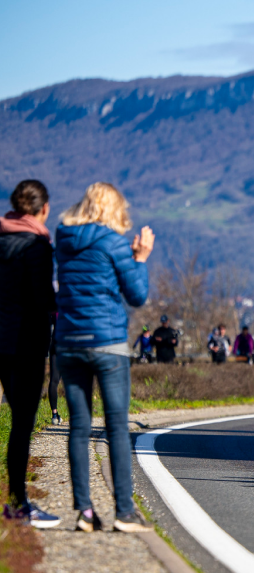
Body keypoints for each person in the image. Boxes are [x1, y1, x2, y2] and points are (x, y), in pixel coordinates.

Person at [55, 182, 153, 532]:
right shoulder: (113, 242)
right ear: (114, 209)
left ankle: (83, 511)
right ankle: (124, 512)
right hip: (107, 342)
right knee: (115, 426)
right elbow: (137, 295)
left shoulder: (63, 238)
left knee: (78, 427)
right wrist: (140, 259)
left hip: (68, 340)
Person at [0, 179, 61, 528]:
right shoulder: (38, 245)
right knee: (21, 425)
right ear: (43, 209)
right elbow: (42, 301)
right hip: (23, 344)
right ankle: (18, 504)